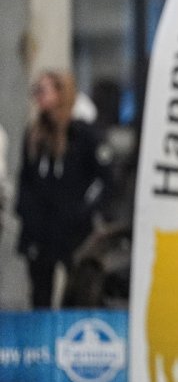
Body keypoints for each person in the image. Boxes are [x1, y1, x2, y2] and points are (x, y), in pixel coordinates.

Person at [16, 70, 110, 308]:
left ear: (61, 93)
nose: (38, 96)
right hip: (40, 230)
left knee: (78, 293)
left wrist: (85, 211)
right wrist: (26, 212)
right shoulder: (35, 135)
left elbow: (104, 178)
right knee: (40, 295)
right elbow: (26, 178)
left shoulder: (83, 134)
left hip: (74, 230)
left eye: (43, 90)